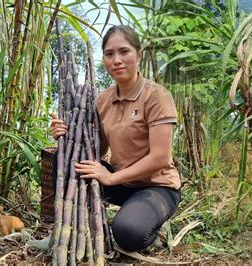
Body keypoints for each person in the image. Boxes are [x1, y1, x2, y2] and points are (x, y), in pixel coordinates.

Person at [50, 25, 181, 252]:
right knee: (66, 164)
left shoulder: (157, 96)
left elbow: (160, 157)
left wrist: (110, 178)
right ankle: (76, 231)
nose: (117, 60)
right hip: (122, 183)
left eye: (124, 52)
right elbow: (97, 149)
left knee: (129, 233)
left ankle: (148, 223)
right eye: (110, 54)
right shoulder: (103, 100)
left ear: (138, 55)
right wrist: (65, 135)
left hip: (157, 186)